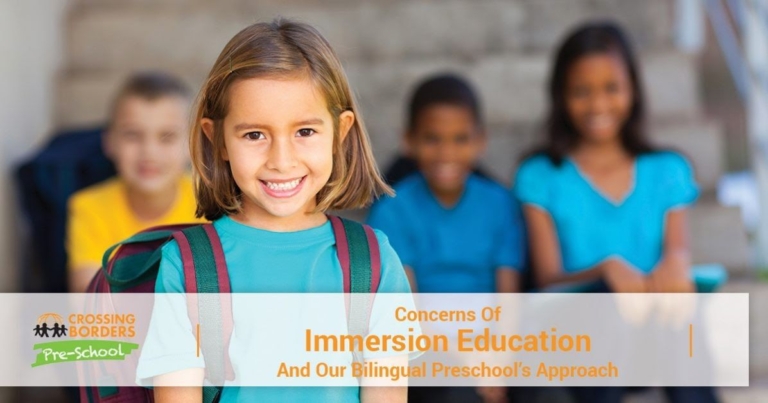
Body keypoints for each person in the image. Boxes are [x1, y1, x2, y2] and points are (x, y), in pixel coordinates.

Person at [135, 19, 415, 403]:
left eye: (304, 132)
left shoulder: (373, 264)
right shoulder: (186, 266)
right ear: (217, 140)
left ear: (341, 132)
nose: (281, 161)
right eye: (254, 135)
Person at [513, 21, 718, 403]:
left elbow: (678, 250)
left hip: (654, 335)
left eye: (612, 88)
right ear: (560, 96)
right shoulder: (540, 176)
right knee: (606, 304)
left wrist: (677, 263)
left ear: (633, 90)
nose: (598, 104)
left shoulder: (668, 170)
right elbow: (546, 280)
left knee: (682, 313)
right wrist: (605, 271)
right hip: (576, 341)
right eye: (581, 91)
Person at [368, 74, 524, 403]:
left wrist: (498, 360)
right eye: (432, 139)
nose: (446, 152)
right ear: (408, 141)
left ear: (481, 141)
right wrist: (467, 360)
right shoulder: (392, 212)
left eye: (460, 139)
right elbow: (409, 311)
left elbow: (508, 299)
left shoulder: (500, 203)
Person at [66, 72, 203, 292]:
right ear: (109, 142)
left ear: (192, 145)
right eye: (133, 135)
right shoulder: (88, 207)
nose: (149, 152)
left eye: (167, 136)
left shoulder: (215, 204)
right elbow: (87, 293)